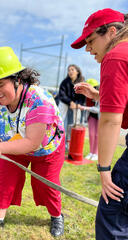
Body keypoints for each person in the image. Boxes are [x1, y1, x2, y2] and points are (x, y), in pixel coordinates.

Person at [0, 46, 65, 239]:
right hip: (10, 143)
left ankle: (56, 215)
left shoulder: (39, 101)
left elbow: (32, 143)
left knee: (46, 185)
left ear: (17, 79)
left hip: (46, 148)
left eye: (0, 84)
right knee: (5, 181)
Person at [71, 8, 128, 239]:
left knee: (112, 215)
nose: (88, 48)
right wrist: (98, 95)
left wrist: (104, 170)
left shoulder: (115, 55)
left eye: (91, 40)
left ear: (112, 32)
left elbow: (111, 121)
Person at [58, 64, 86, 149]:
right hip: (65, 103)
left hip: (76, 105)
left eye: (72, 70)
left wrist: (76, 104)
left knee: (75, 122)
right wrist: (70, 102)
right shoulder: (65, 82)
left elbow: (82, 96)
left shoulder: (81, 82)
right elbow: (62, 95)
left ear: (77, 72)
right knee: (60, 121)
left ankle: (72, 144)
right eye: (69, 70)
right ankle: (60, 143)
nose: (70, 71)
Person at [79, 78, 100, 161]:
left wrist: (84, 108)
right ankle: (91, 152)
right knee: (91, 134)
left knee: (97, 135)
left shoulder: (99, 94)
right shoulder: (87, 96)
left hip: (99, 117)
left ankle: (96, 153)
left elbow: (97, 109)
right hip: (91, 116)